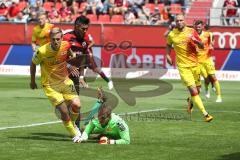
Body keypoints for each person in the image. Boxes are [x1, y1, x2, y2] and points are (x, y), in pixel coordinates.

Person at [30, 27, 82, 143]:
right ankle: (75, 135)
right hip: (50, 85)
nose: (56, 42)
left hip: (65, 81)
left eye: (58, 39)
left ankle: (73, 124)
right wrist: (32, 81)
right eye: (53, 39)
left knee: (77, 105)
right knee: (64, 111)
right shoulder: (42, 51)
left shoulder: (66, 45)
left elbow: (71, 54)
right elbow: (33, 64)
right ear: (50, 39)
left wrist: (70, 65)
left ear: (62, 38)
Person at [166, 14, 213, 122]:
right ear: (175, 22)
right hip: (183, 67)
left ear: (185, 21)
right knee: (193, 90)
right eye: (177, 21)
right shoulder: (172, 34)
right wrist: (167, 55)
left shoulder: (192, 31)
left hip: (195, 65)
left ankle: (190, 101)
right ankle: (205, 114)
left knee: (197, 90)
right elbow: (168, 45)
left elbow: (202, 46)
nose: (179, 22)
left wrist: (196, 41)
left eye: (181, 20)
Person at [64, 15, 114, 92]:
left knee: (95, 68)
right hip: (63, 71)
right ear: (76, 26)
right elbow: (58, 57)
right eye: (83, 29)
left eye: (86, 29)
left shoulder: (86, 37)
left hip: (77, 67)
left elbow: (82, 59)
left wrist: (81, 77)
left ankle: (108, 81)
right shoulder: (66, 37)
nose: (85, 31)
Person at [193, 20, 222, 102]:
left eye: (199, 26)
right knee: (206, 79)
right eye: (197, 26)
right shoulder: (192, 35)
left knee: (213, 77)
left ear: (202, 27)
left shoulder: (207, 34)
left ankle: (219, 96)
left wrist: (212, 44)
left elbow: (213, 38)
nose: (198, 28)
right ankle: (207, 89)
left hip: (207, 59)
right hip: (198, 61)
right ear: (195, 27)